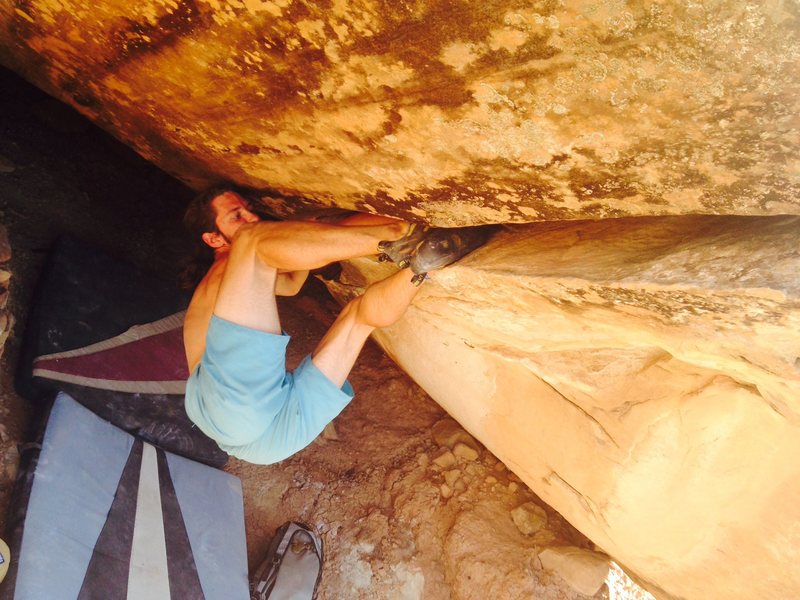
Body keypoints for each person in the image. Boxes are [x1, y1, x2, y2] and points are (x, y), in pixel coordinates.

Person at [182, 185, 489, 464]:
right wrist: (379, 229)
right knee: (254, 239)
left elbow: (289, 282)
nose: (251, 216)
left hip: (261, 447)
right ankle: (401, 234)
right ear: (213, 239)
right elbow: (274, 245)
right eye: (237, 216)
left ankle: (422, 266)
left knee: (358, 317)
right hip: (223, 408)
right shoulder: (224, 266)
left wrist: (314, 230)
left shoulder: (239, 276)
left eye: (248, 208)